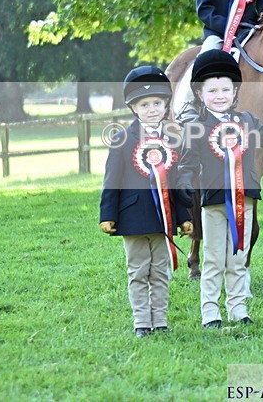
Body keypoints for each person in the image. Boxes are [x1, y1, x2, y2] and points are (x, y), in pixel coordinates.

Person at [175, 50, 263, 328]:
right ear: (200, 94)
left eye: (225, 89)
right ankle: (210, 312)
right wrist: (183, 185)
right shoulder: (197, 126)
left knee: (238, 258)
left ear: (235, 91)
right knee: (215, 259)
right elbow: (188, 164)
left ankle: (238, 308)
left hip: (245, 200)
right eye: (212, 90)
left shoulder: (247, 121)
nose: (219, 95)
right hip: (214, 202)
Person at [99, 66, 192, 336]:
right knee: (139, 271)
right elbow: (111, 180)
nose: (152, 109)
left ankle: (160, 321)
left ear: (165, 106)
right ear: (133, 108)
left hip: (164, 219)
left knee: (161, 272)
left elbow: (174, 183)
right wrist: (108, 214)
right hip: (132, 218)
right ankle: (142, 322)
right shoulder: (122, 139)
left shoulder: (171, 141)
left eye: (157, 103)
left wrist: (184, 217)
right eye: (144, 104)